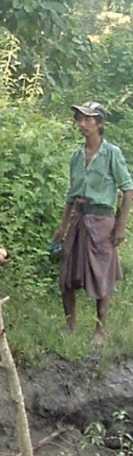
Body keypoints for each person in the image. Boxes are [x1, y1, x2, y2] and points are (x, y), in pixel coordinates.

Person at [55, 101, 133, 341]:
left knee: (102, 274)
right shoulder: (77, 156)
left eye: (88, 119)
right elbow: (71, 194)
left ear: (100, 124)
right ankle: (71, 326)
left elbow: (128, 189)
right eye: (80, 118)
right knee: (67, 274)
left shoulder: (112, 154)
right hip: (80, 217)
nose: (82, 123)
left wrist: (121, 225)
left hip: (102, 221)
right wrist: (63, 226)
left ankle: (100, 329)